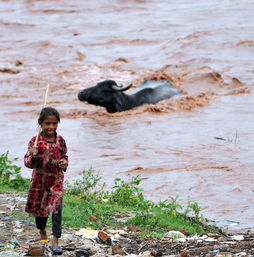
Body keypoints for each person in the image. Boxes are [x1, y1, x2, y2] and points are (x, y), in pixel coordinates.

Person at [24, 106, 68, 255]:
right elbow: (28, 163)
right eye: (48, 124)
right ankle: (42, 231)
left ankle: (56, 240)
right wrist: (33, 155)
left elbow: (65, 156)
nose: (51, 127)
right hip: (39, 182)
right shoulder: (35, 141)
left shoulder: (60, 140)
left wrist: (64, 163)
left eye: (54, 123)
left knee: (57, 209)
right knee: (40, 211)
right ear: (40, 124)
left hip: (56, 180)